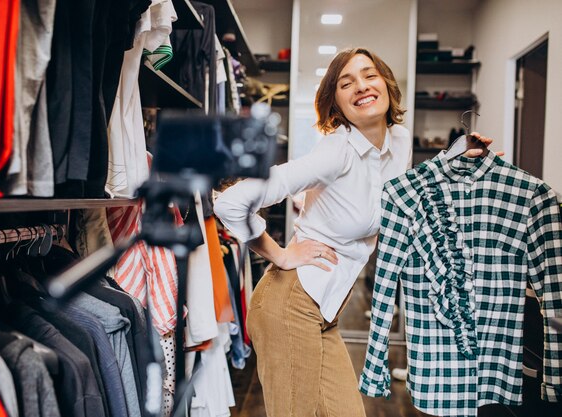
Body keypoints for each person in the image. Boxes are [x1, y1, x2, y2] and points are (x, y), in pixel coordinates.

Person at [213, 47, 499, 417]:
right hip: (290, 305)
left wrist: (458, 156)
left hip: (326, 313)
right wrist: (281, 254)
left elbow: (405, 191)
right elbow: (231, 202)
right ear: (336, 103)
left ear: (385, 83)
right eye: (346, 83)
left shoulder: (398, 141)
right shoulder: (337, 151)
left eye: (369, 75)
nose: (361, 86)